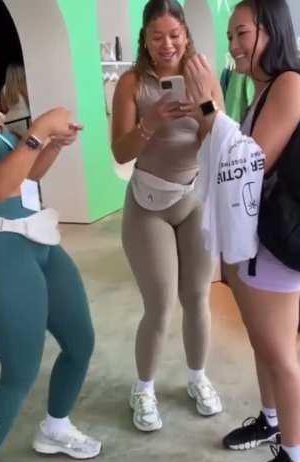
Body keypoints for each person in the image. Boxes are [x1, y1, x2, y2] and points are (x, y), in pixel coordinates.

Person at [184, 0, 300, 462]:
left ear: (269, 30)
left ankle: (298, 459)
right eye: (230, 36)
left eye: (242, 33)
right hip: (257, 238)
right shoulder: (262, 87)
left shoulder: (288, 84)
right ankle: (270, 420)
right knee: (263, 343)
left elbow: (249, 163)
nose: (233, 45)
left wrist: (209, 105)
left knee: (280, 354)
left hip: (278, 243)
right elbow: (226, 156)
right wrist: (204, 114)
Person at [0, 23, 101, 462]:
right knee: (20, 370)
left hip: (38, 240)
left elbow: (24, 177)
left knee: (80, 341)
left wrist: (51, 147)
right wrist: (39, 130)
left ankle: (55, 428)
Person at [111, 0, 225, 432]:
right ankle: (143, 389)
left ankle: (197, 378)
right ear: (144, 39)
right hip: (148, 205)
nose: (167, 44)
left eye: (174, 35)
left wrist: (204, 107)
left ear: (186, 34)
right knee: (159, 305)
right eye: (157, 36)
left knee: (197, 297)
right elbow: (120, 152)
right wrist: (151, 122)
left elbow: (221, 137)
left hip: (194, 199)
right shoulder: (132, 83)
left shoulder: (202, 72)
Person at [0, 63, 31, 137]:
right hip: (25, 119)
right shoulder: (26, 86)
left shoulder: (4, 88)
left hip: (9, 121)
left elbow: (4, 108)